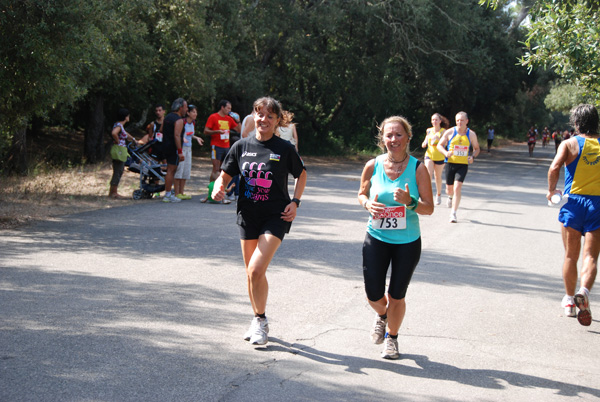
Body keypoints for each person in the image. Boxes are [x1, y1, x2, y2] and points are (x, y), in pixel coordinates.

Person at [211, 97, 307, 346]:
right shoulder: (241, 146)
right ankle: (256, 319)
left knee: (255, 269)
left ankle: (261, 321)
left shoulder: (284, 148)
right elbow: (225, 176)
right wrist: (217, 189)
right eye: (259, 114)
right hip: (247, 216)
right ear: (253, 117)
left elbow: (302, 174)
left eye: (269, 116)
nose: (263, 119)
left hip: (276, 216)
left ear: (277, 121)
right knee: (252, 273)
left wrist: (295, 202)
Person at [358, 115, 433, 360]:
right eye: (388, 135)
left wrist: (410, 202)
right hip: (376, 236)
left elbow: (429, 208)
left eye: (398, 134)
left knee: (396, 295)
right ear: (382, 139)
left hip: (407, 242)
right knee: (373, 294)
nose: (393, 139)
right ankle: (382, 316)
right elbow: (361, 194)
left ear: (408, 137)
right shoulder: (373, 165)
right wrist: (368, 204)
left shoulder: (418, 168)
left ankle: (392, 338)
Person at [547, 104, 600, 327]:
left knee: (571, 255)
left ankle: (569, 302)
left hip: (573, 203)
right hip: (598, 203)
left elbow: (554, 167)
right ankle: (584, 291)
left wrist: (552, 191)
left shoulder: (569, 143)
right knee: (591, 256)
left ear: (576, 123)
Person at [437, 111, 480, 223]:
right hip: (450, 164)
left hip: (462, 165)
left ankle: (453, 213)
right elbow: (439, 145)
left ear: (467, 121)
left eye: (462, 120)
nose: (459, 122)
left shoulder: (471, 134)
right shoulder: (450, 132)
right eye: (457, 120)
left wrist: (472, 157)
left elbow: (477, 149)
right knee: (449, 189)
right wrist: (446, 153)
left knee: (457, 188)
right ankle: (450, 197)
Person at [153, 98, 187, 203]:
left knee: (170, 170)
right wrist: (180, 151)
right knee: (171, 171)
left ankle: (168, 193)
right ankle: (168, 194)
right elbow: (177, 135)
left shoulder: (167, 117)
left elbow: (162, 129)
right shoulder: (179, 120)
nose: (186, 109)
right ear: (180, 108)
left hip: (165, 146)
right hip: (173, 148)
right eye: (185, 107)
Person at [204, 100, 240, 182]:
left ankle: (220, 189)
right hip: (216, 146)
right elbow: (206, 131)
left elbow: (239, 130)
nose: (229, 110)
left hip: (226, 146)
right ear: (222, 107)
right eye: (228, 108)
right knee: (216, 169)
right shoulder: (213, 117)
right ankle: (211, 190)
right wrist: (217, 131)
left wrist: (237, 120)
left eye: (230, 109)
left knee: (223, 170)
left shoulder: (229, 119)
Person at [174, 104, 204, 200]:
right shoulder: (182, 122)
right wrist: (183, 139)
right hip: (182, 147)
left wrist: (196, 138)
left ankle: (182, 192)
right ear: (188, 113)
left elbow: (190, 135)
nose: (196, 114)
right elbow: (179, 134)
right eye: (193, 112)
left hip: (189, 148)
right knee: (179, 169)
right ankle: (176, 193)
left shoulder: (193, 123)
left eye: (196, 112)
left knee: (186, 170)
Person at [109, 108, 137, 199]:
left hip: (121, 150)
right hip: (119, 151)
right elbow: (114, 133)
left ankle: (113, 191)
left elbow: (125, 134)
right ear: (125, 117)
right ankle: (114, 192)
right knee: (118, 170)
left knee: (119, 170)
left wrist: (133, 139)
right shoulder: (118, 126)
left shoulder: (120, 125)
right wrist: (117, 141)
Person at [420, 113, 448, 205]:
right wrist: (424, 143)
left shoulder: (444, 131)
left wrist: (438, 139)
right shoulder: (429, 131)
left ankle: (438, 195)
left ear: (440, 121)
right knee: (428, 175)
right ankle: (427, 195)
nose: (434, 122)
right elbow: (425, 142)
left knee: (437, 177)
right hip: (429, 155)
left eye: (436, 120)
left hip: (440, 156)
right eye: (432, 120)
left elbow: (447, 144)